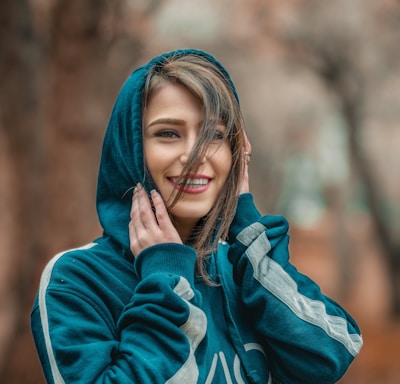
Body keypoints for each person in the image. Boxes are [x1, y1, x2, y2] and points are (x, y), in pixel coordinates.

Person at [31, 49, 363, 384]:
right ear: (130, 148)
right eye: (168, 133)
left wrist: (247, 231)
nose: (195, 155)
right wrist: (166, 280)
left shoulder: (245, 269)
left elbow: (329, 354)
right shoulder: (76, 279)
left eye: (215, 135)